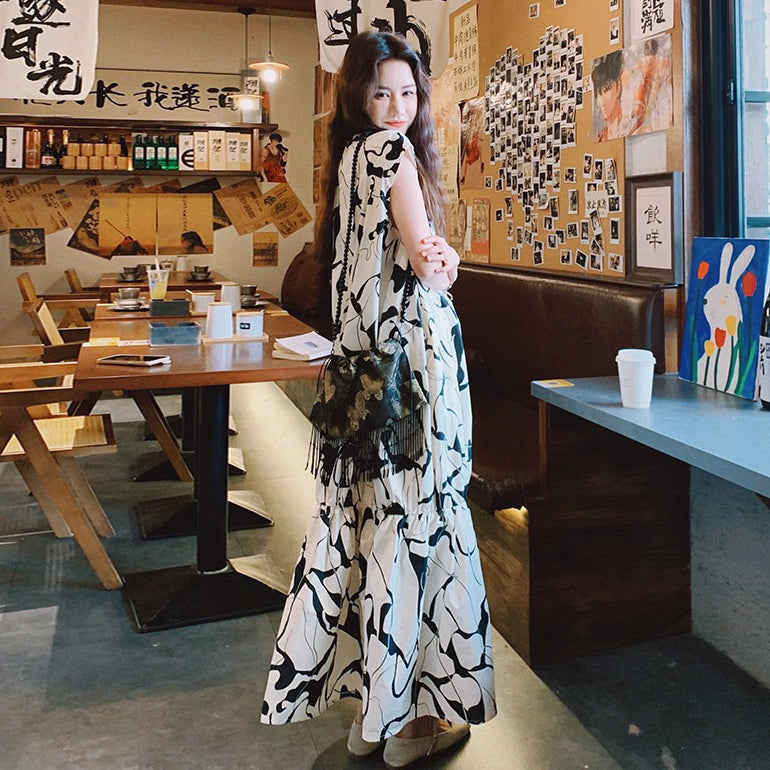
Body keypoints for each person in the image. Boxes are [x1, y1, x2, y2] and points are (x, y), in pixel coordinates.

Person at [261, 31, 496, 768]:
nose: (397, 106)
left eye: (407, 93)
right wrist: (446, 261)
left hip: (363, 375)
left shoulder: (348, 161)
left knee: (367, 526)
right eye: (381, 92)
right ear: (359, 97)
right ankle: (410, 726)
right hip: (415, 374)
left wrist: (428, 257)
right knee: (420, 527)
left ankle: (372, 717)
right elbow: (427, 263)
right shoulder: (395, 154)